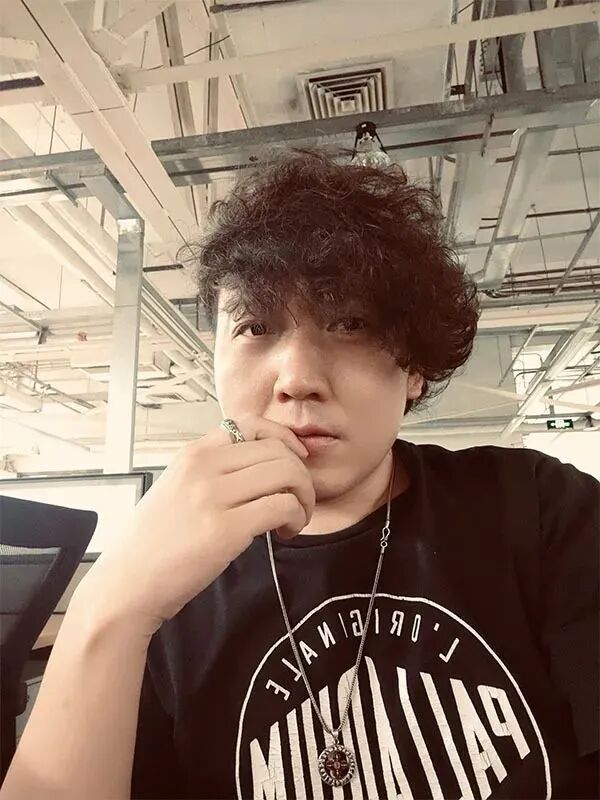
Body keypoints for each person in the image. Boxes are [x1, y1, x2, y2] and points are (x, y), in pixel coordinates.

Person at [1, 149, 598, 800]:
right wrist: (109, 607)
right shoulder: (167, 587)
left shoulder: (537, 507)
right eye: (255, 326)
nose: (297, 379)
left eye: (350, 324)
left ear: (415, 369)